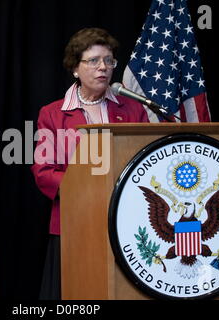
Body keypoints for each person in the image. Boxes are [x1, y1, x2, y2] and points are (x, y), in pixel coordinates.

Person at [31, 27, 149, 299]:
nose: (103, 68)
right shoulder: (52, 113)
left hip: (126, 221)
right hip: (75, 221)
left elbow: (144, 159)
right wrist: (89, 188)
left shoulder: (133, 109)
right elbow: (43, 171)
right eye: (93, 61)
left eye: (109, 60)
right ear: (75, 67)